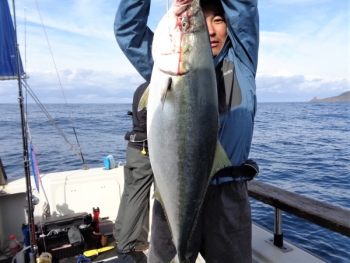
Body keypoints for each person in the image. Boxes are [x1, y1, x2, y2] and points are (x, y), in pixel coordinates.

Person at [114, 0, 259, 262]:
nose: (211, 30)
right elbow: (128, 30)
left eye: (219, 20)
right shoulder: (165, 63)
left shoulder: (241, 63)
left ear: (230, 25)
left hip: (227, 198)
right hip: (174, 191)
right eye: (202, 21)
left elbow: (244, 6)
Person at [113, 82, 153, 254]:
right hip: (145, 151)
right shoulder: (156, 88)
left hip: (133, 149)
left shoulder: (141, 87)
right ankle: (130, 243)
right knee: (139, 197)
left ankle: (120, 234)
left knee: (129, 192)